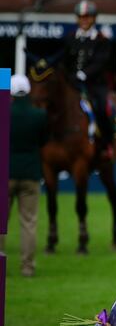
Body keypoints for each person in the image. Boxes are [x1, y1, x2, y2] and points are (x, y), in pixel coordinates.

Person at [3, 75, 47, 277]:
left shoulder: (5, 113)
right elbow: (43, 142)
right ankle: (27, 267)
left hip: (6, 172)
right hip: (30, 173)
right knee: (28, 223)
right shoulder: (39, 115)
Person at [63, 0, 113, 155]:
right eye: (81, 16)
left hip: (95, 84)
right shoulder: (70, 38)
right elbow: (65, 60)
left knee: (101, 107)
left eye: (88, 16)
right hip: (72, 83)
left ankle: (106, 143)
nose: (84, 20)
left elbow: (101, 62)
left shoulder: (101, 40)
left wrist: (83, 74)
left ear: (94, 18)